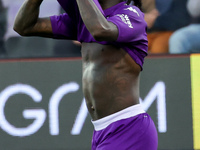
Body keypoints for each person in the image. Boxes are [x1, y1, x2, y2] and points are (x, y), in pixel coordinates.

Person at [14, 0, 158, 149]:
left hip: (129, 129)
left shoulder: (131, 16)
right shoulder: (84, 20)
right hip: (101, 131)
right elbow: (24, 26)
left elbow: (101, 30)